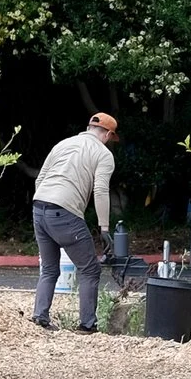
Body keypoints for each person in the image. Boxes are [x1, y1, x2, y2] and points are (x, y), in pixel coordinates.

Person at [31, 113, 117, 334]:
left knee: (49, 268)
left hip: (39, 207)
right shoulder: (103, 154)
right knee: (89, 269)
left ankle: (40, 317)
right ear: (107, 134)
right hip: (65, 212)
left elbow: (40, 179)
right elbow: (100, 190)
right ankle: (87, 325)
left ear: (88, 127)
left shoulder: (63, 144)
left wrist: (45, 205)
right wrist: (104, 228)